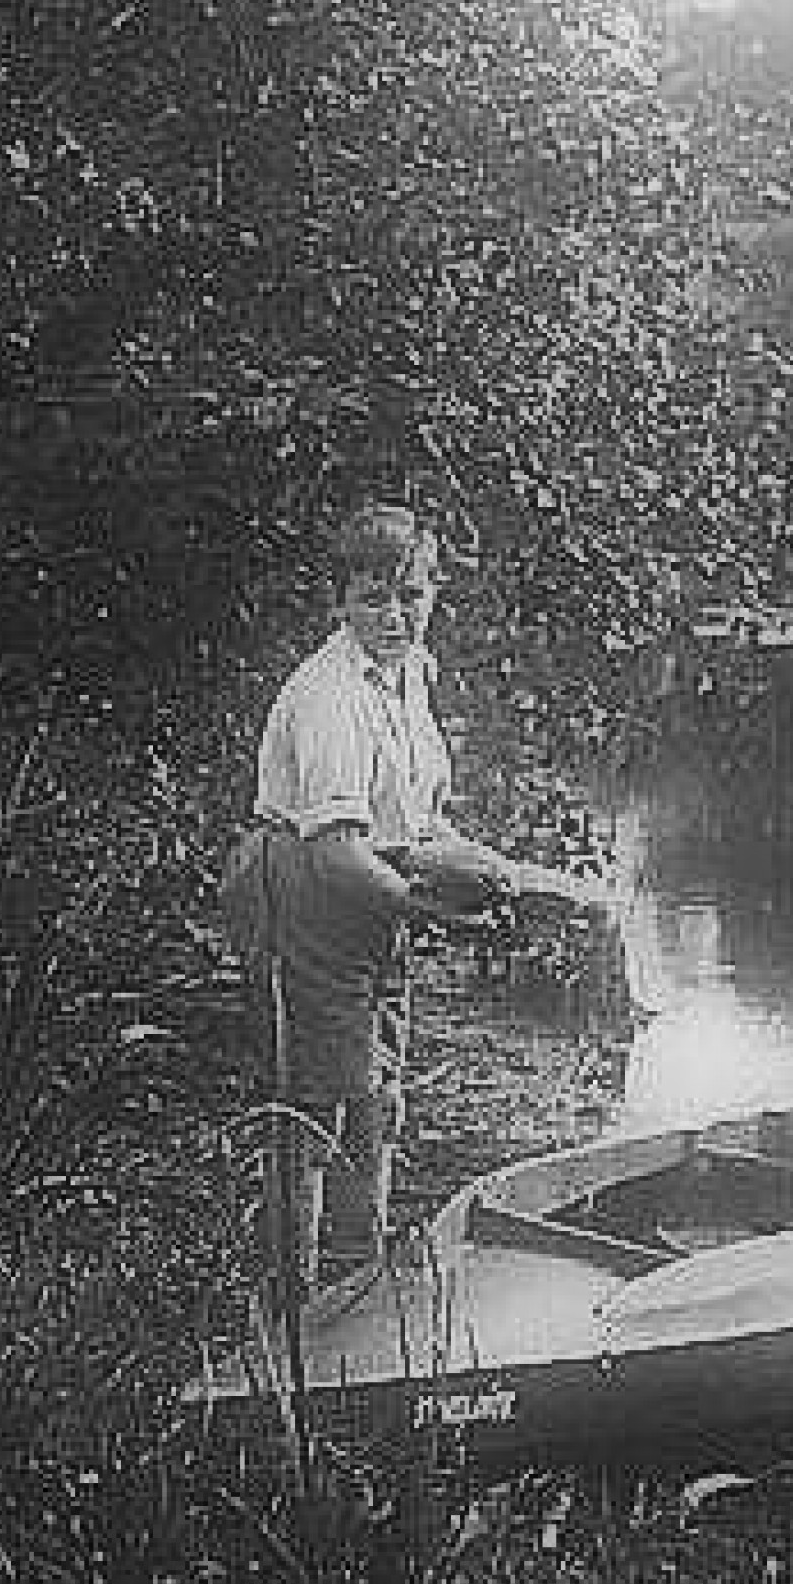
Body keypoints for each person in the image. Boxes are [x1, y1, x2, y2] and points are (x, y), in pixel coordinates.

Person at [220, 498, 603, 1295]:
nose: (394, 614)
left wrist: (521, 880)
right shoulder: (329, 695)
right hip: (305, 892)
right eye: (373, 596)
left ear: (433, 594)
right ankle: (291, 1308)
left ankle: (362, 1285)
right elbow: (334, 854)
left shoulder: (408, 676)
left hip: (369, 888)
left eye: (410, 594)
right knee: (317, 1111)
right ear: (340, 601)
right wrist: (430, 910)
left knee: (378, 1093)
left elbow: (419, 826)